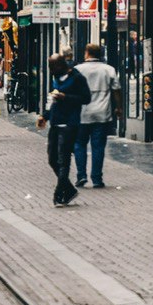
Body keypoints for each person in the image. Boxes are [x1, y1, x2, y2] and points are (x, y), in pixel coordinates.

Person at [39, 53, 90, 206]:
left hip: (70, 123)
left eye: (53, 68)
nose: (51, 72)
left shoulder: (77, 78)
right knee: (52, 158)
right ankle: (69, 189)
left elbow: (86, 98)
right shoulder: (56, 78)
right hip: (56, 122)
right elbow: (54, 101)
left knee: (64, 159)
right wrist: (45, 116)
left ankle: (59, 193)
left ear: (61, 66)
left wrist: (65, 97)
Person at [72, 45, 118, 190]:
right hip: (102, 113)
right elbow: (117, 89)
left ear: (86, 53)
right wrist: (119, 107)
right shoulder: (108, 69)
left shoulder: (77, 70)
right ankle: (97, 178)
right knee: (98, 146)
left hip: (82, 113)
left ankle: (81, 175)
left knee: (79, 144)